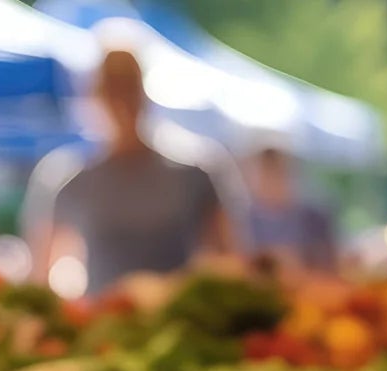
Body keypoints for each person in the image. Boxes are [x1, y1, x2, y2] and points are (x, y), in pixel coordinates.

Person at [37, 49, 232, 294]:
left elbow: (229, 261)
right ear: (96, 98)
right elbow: (42, 274)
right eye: (113, 89)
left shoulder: (192, 176)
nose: (122, 103)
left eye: (128, 89)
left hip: (180, 319)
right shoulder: (72, 183)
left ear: (143, 94)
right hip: (103, 322)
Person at [242, 144, 335, 272]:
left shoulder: (313, 217)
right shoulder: (245, 218)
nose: (271, 183)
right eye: (266, 176)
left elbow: (330, 261)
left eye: (276, 174)